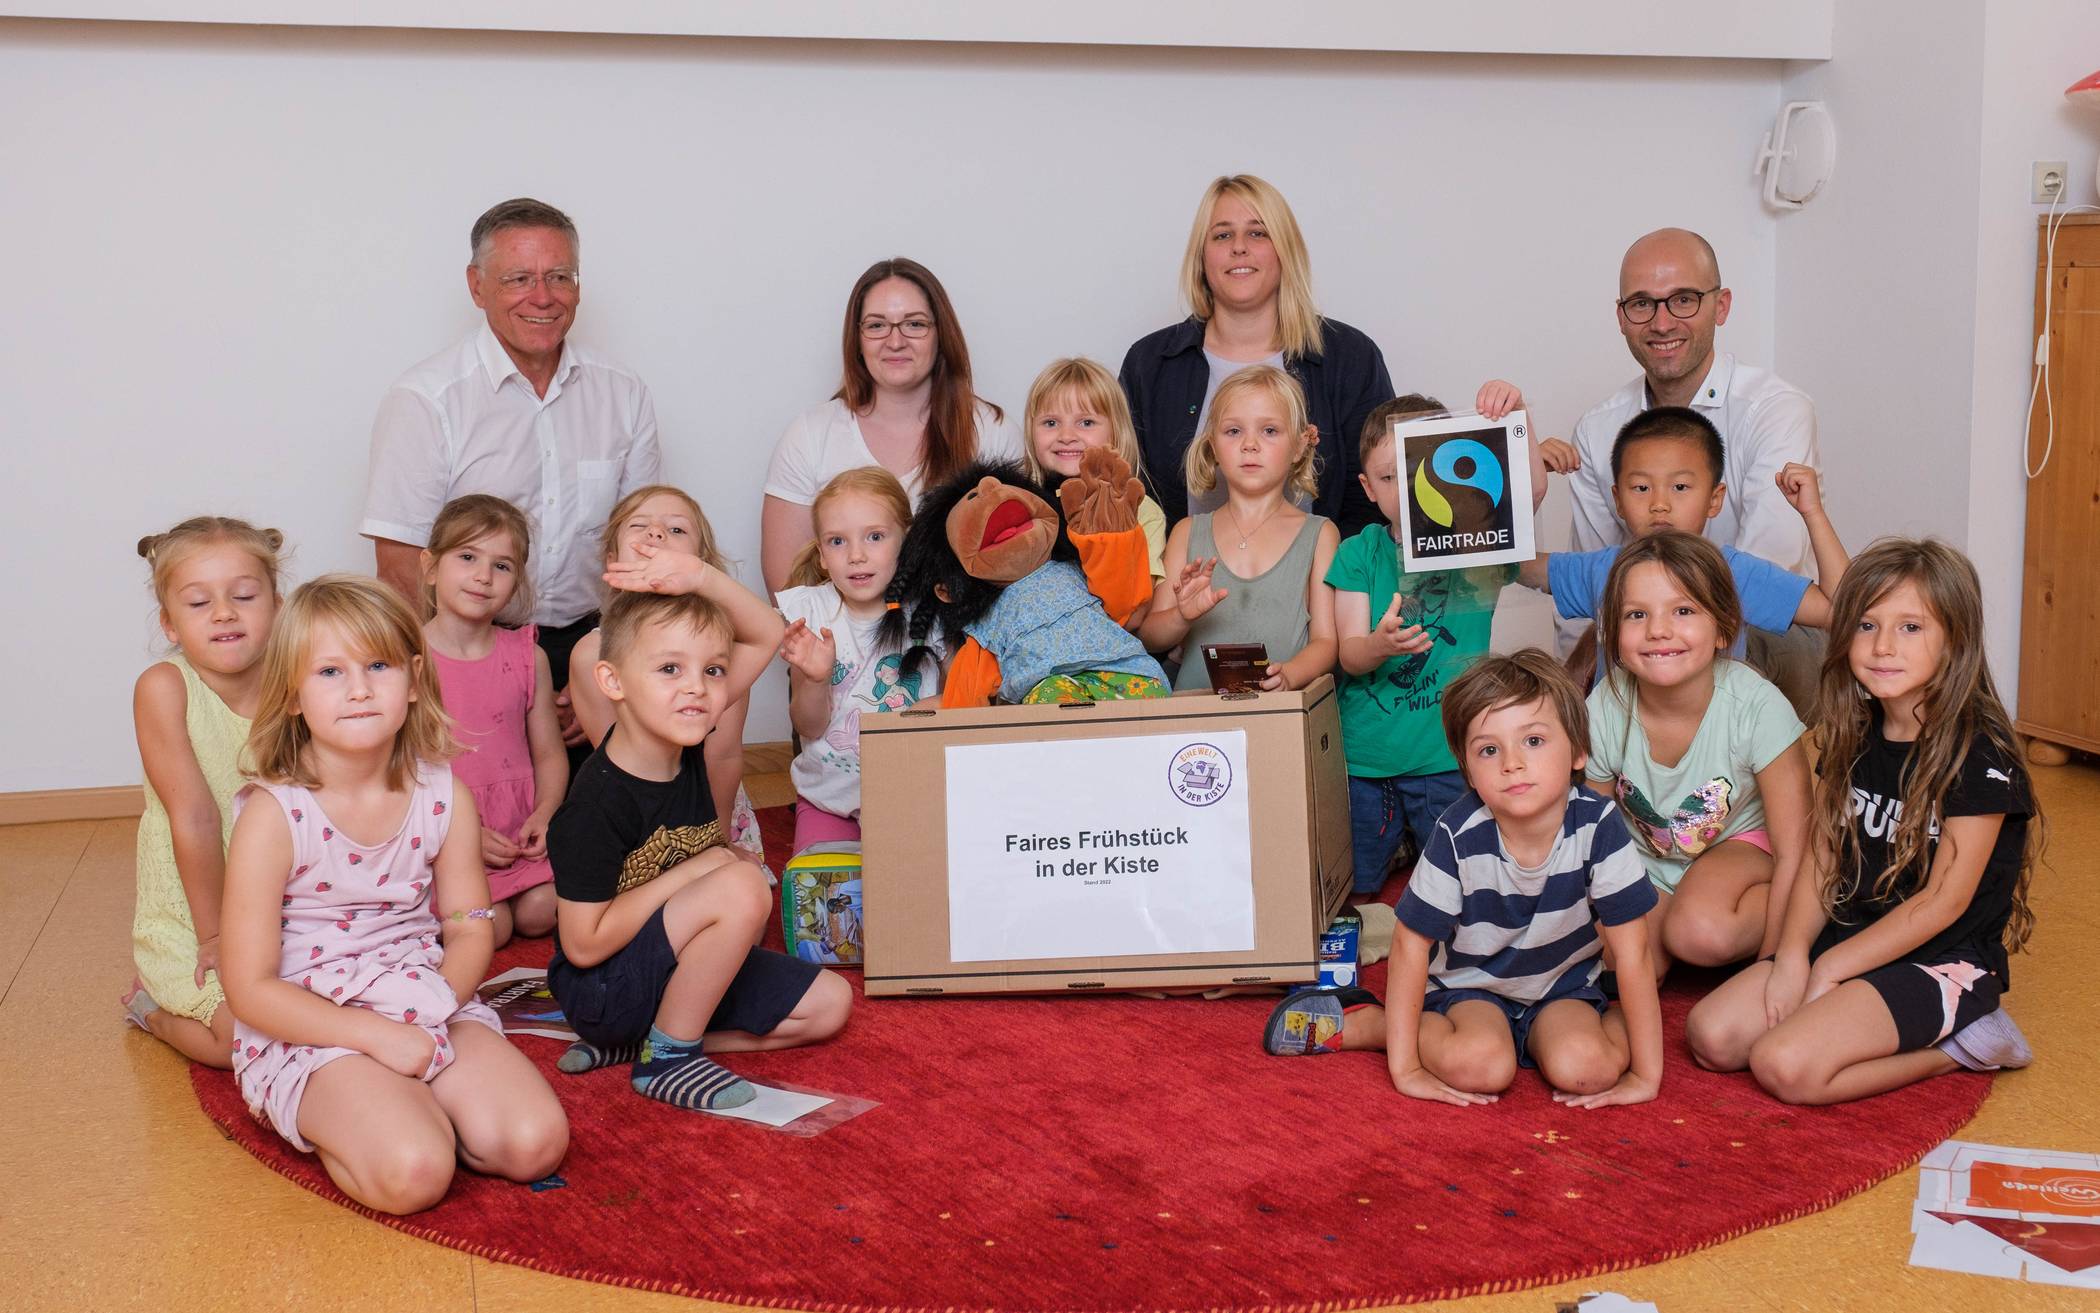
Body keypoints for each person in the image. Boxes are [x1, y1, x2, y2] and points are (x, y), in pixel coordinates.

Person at [218, 576, 568, 1215]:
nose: (357, 688)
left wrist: (434, 1004)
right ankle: (349, 1107)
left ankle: (410, 1104)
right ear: (293, 695)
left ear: (412, 679)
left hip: (425, 1001)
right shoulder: (274, 815)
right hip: (313, 1021)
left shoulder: (444, 795)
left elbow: (468, 925)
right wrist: (373, 1038)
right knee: (415, 1173)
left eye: (377, 665)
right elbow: (249, 989)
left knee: (534, 1144)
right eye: (329, 671)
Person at [1685, 539, 2041, 1104]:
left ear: (1955, 641)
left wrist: (1831, 971)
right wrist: (1796, 953)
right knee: (1713, 1038)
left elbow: (1943, 903)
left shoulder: (1980, 754)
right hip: (1852, 931)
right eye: (1868, 625)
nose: (1882, 647)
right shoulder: (1856, 731)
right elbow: (1822, 857)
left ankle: (1965, 1043)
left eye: (1911, 628)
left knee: (1785, 1066)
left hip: (1941, 958)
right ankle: (1846, 993)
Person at [1262, 651, 1663, 1112]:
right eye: (1489, 750)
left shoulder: (1599, 823)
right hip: (1469, 986)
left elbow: (1632, 952)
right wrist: (1406, 1067)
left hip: (1562, 986)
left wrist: (1646, 1075)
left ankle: (1561, 1033)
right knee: (1482, 1068)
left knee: (1587, 1071)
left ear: (1577, 751)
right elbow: (1411, 945)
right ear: (1468, 769)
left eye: (1533, 740)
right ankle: (1374, 1022)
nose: (1511, 763)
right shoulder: (1457, 833)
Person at [544, 563, 852, 1108]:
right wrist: (701, 866)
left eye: (713, 671)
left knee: (830, 1004)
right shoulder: (593, 807)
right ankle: (668, 1058)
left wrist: (696, 574)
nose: (696, 687)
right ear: (613, 681)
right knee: (740, 882)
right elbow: (583, 944)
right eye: (669, 668)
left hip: (678, 965)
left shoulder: (684, 730)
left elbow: (763, 629)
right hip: (602, 991)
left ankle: (655, 1040)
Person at [360, 197, 661, 752]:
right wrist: (456, 675)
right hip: (467, 647)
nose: (542, 297)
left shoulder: (624, 393)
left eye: (559, 277)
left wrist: (606, 664)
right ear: (477, 286)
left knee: (609, 822)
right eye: (518, 278)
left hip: (594, 649)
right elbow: (400, 567)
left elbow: (646, 548)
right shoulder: (425, 401)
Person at [1549, 228, 1820, 708]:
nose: (1662, 322)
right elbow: (1594, 581)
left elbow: (1764, 575)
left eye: (1684, 300)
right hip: (1650, 636)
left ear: (1722, 306)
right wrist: (1575, 703)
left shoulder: (1774, 409)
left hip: (1764, 632)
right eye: (1642, 304)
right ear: (1621, 317)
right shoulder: (1598, 427)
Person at [1330, 386, 1538, 897]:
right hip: (1368, 757)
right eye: (1387, 476)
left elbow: (1529, 493)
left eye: (1418, 469)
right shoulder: (1361, 552)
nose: (1404, 488)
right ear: (1368, 488)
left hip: (1448, 752)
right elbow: (1349, 654)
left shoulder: (1475, 542)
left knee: (1457, 876)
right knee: (1361, 883)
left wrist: (1519, 417)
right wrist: (1379, 645)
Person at [1582, 532, 1812, 980]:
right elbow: (1593, 836)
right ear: (1612, 634)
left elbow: (1796, 852)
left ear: (1724, 628)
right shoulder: (1605, 706)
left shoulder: (1757, 707)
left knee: (1698, 934)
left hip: (1738, 849)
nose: (1659, 630)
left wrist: (1770, 965)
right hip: (1645, 859)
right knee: (1620, 963)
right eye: (1636, 614)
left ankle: (1706, 923)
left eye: (1683, 610)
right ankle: (1670, 922)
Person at [1119, 174, 1394, 537]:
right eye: (1222, 235)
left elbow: (1379, 494)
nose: (1239, 247)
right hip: (1183, 589)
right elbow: (1123, 496)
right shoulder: (1150, 363)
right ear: (1202, 257)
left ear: (1285, 250)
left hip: (1326, 585)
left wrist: (1325, 582)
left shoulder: (1349, 357)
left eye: (1258, 233)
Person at [124, 517, 285, 1067]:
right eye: (198, 603)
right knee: (240, 1038)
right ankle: (151, 1010)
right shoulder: (164, 688)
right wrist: (215, 937)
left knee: (315, 1011)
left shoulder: (299, 682)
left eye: (243, 595)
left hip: (282, 896)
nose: (224, 612)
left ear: (277, 604)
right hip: (196, 911)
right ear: (169, 624)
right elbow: (194, 819)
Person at [761, 257, 1023, 594]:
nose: (895, 341)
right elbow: (789, 596)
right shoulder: (809, 436)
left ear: (940, 334)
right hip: (835, 646)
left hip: (964, 645)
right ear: (856, 339)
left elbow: (1018, 573)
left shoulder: (994, 433)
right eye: (876, 325)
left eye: (914, 324)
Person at [1527, 407, 1849, 679]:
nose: (1659, 503)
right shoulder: (1602, 570)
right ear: (1618, 500)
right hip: (1615, 749)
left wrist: (1812, 512)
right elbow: (1501, 562)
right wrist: (1524, 480)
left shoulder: (1733, 573)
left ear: (1714, 499)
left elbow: (1840, 611)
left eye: (1680, 486)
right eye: (1641, 488)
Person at [566, 486, 771, 876]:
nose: (657, 534)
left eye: (676, 530)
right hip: (637, 821)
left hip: (712, 813)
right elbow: (613, 765)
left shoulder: (721, 652)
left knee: (746, 902)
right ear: (612, 559)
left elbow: (723, 756)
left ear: (702, 564)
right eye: (640, 526)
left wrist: (717, 844)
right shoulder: (591, 656)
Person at [419, 495, 567, 948]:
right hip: (446, 837)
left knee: (543, 912)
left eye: (501, 566)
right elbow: (395, 772)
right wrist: (459, 834)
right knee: (492, 926)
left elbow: (549, 753)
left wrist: (545, 813)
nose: (483, 576)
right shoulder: (407, 661)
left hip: (517, 832)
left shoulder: (528, 656)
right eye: (467, 557)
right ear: (430, 566)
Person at [1141, 365, 1338, 693]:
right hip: (1194, 725)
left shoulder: (1320, 535)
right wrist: (1182, 616)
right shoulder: (1187, 532)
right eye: (1233, 431)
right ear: (1213, 446)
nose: (1250, 444)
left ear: (1300, 445)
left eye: (1270, 431)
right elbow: (1150, 636)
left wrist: (1288, 675)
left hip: (1280, 718)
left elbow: (1326, 642)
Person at [776, 466, 929, 855]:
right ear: (823, 555)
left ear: (906, 541)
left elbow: (962, 702)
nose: (857, 556)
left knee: (916, 890)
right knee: (827, 895)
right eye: (838, 541)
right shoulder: (811, 612)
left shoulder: (932, 613)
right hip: (829, 799)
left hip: (913, 797)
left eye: (875, 537)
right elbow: (807, 725)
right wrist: (815, 679)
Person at [1021, 357, 1170, 587]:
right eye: (1051, 423)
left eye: (1086, 422)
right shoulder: (1018, 502)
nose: (1067, 436)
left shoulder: (1143, 513)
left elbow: (1138, 607)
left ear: (1116, 432)